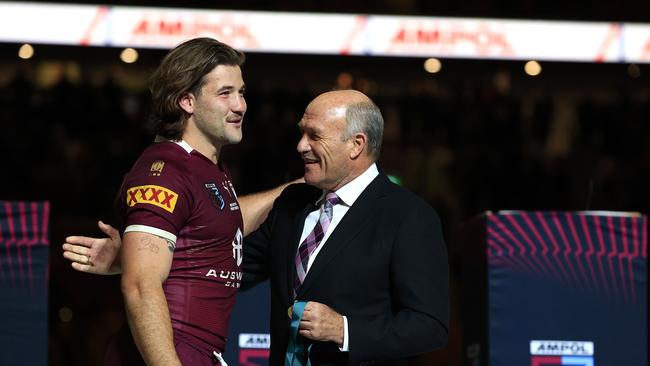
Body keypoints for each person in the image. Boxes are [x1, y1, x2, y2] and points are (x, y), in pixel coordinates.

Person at [64, 89, 449, 365]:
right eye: (301, 131)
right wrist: (134, 257)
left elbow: (430, 326)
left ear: (356, 145)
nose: (300, 146)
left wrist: (345, 330)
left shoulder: (409, 216)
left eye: (314, 136)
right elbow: (224, 267)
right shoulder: (291, 207)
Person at [63, 37, 290, 366]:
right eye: (225, 93)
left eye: (241, 93)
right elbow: (141, 286)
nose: (240, 105)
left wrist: (297, 188)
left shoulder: (206, 169)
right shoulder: (167, 170)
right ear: (187, 101)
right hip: (172, 353)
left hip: (196, 353)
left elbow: (224, 219)